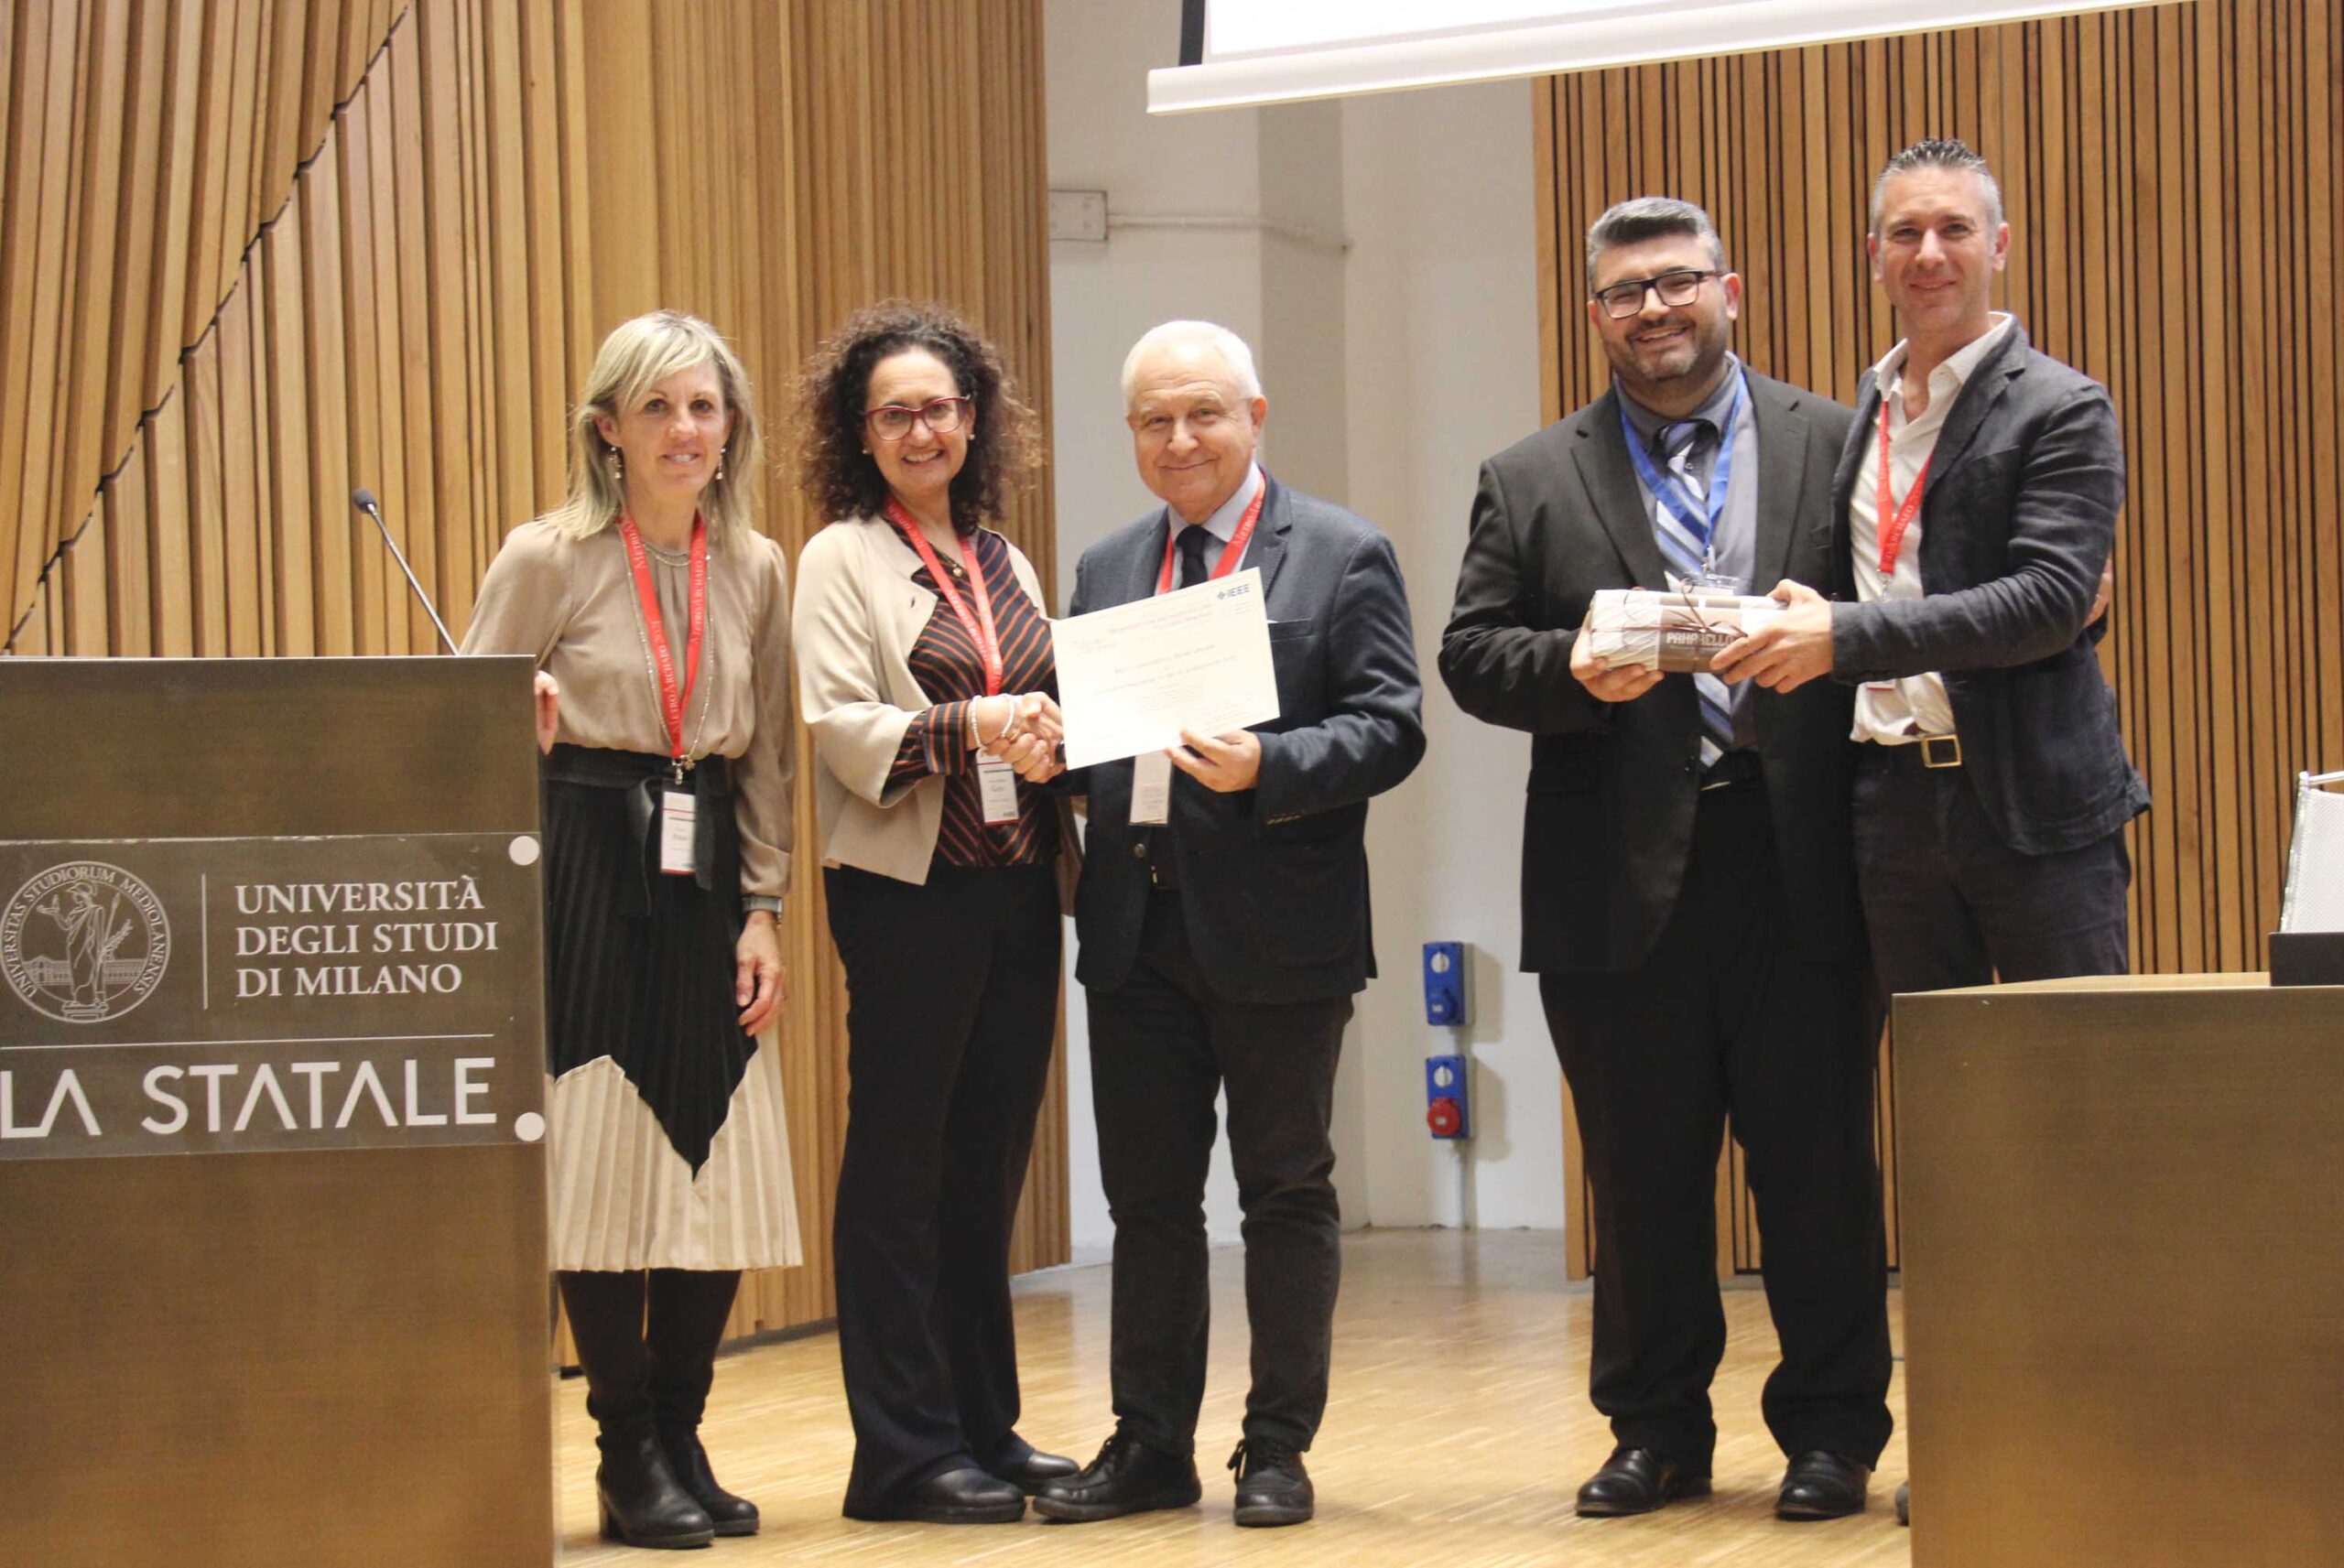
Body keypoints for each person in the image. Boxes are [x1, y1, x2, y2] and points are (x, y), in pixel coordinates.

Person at [1713, 135, 2148, 1530]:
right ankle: (1970, 1434)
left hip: (2036, 818)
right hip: (1894, 810)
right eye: (1903, 232)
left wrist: (1843, 633)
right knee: (1953, 1152)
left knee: (2080, 1134)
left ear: (1999, 247)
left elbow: (2047, 598)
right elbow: (1867, 579)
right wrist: (1793, 616)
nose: (1928, 254)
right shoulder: (1866, 409)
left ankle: (2106, 1437)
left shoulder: (2061, 405)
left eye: (1954, 228)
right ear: (1874, 256)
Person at [1441, 198, 1893, 1521]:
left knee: (1818, 1165)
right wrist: (1570, 666)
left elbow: (1894, 614)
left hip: (1802, 857)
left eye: (1678, 282)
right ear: (1596, 314)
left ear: (1728, 291)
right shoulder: (1530, 475)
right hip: (1611, 876)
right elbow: (1471, 655)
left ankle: (1832, 1432)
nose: (1655, 310)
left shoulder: (1835, 442)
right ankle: (1654, 1430)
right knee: (1639, 1173)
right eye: (1626, 292)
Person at [1030, 320, 1424, 1530]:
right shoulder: (1107, 565)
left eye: (1203, 412)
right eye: (1155, 420)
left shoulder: (1342, 552)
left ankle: (1277, 1447)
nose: (1181, 438)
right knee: (1148, 1202)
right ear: (1132, 435)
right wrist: (1050, 746)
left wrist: (1271, 763)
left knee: (1284, 1192)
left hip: (1279, 928)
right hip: (1132, 927)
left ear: (1254, 414)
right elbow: (1091, 737)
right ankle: (1151, 1443)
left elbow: (1391, 726)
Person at [464, 310, 799, 1550]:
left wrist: (764, 908)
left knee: (715, 1150)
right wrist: (514, 714)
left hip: (706, 869)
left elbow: (768, 757)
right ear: (608, 428)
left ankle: (680, 1427)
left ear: (731, 425)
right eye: (656, 407)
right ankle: (624, 1448)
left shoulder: (756, 565)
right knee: (602, 1161)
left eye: (702, 406)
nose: (683, 429)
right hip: (582, 861)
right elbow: (455, 722)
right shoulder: (547, 555)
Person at [790, 300, 1075, 1526]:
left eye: (941, 408)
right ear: (860, 432)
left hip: (1020, 885)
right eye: (896, 413)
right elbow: (837, 723)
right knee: (901, 1169)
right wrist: (976, 724)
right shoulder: (840, 557)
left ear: (975, 419)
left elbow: (1043, 694)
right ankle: (902, 1453)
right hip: (909, 894)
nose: (923, 430)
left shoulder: (1003, 558)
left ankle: (983, 1427)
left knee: (987, 1164)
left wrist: (1055, 733)